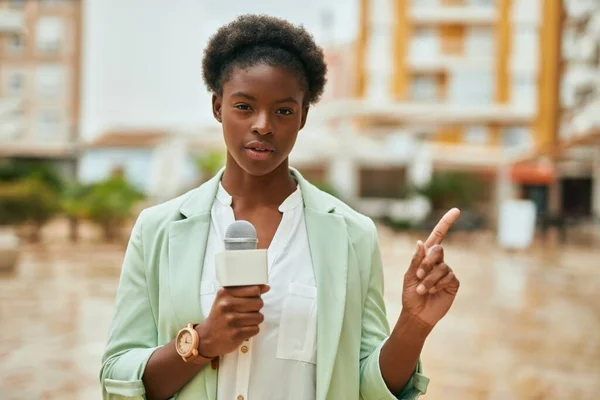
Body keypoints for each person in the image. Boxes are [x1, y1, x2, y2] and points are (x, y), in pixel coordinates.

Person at [100, 14, 461, 400]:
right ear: (217, 107)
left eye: (284, 111)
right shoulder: (158, 230)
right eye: (244, 106)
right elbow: (116, 378)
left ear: (303, 116)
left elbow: (366, 389)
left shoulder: (352, 235)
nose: (263, 125)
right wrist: (201, 342)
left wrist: (413, 324)